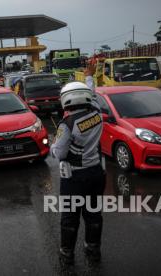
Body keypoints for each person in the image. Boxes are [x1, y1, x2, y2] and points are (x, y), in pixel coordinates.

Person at [50, 82, 106, 267]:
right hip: (97, 173)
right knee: (93, 214)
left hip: (74, 178)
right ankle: (93, 250)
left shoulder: (66, 125)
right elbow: (94, 95)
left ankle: (67, 254)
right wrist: (89, 78)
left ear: (66, 100)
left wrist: (53, 145)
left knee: (70, 218)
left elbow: (59, 153)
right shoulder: (97, 113)